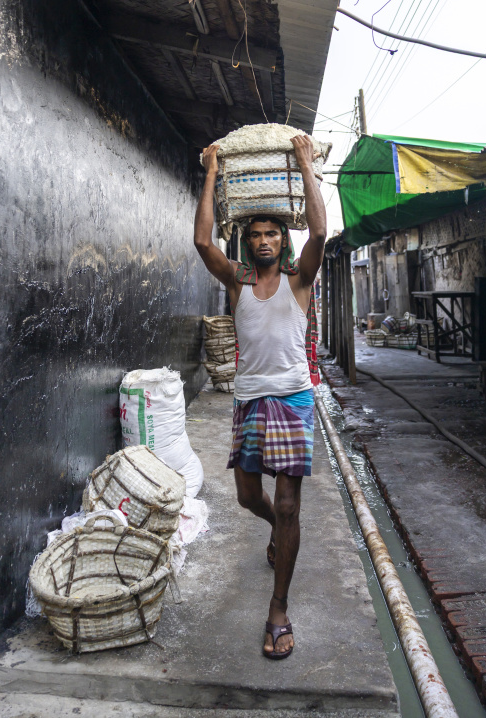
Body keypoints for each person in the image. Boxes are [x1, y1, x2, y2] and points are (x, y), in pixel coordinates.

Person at [194, 135, 326, 660]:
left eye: (273, 233)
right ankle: (276, 528)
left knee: (291, 503)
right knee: (252, 498)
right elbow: (204, 242)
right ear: (247, 242)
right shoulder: (237, 282)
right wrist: (210, 171)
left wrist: (304, 165)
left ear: (283, 241)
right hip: (249, 401)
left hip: (293, 400)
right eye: (257, 234)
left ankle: (279, 608)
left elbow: (319, 228)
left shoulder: (301, 280)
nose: (266, 240)